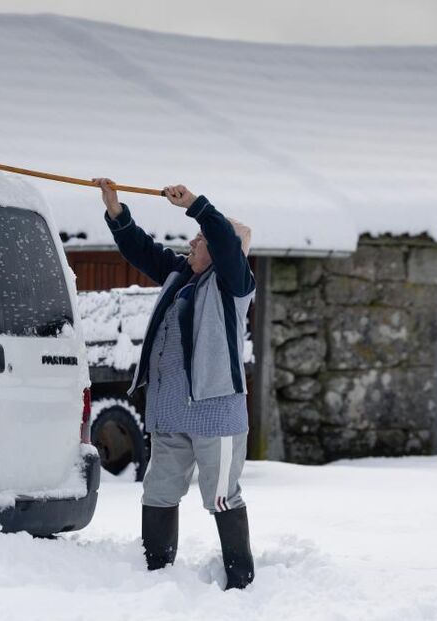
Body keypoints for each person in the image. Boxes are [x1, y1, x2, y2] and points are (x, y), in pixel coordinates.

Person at [94, 178, 256, 590]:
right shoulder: (181, 274)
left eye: (200, 239)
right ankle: (156, 575)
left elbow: (222, 237)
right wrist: (117, 212)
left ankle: (241, 581)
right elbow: (143, 251)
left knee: (220, 495)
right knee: (159, 491)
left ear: (222, 251)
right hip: (169, 410)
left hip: (215, 413)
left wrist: (197, 205)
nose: (192, 242)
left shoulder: (232, 284)